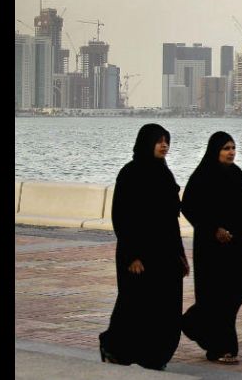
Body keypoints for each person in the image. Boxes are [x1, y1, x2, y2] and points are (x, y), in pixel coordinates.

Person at [99, 123, 189, 371]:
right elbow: (122, 217)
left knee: (166, 307)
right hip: (138, 254)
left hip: (165, 253)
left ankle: (155, 356)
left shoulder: (165, 174)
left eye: (166, 141)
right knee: (134, 305)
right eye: (159, 141)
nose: (164, 145)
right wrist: (132, 256)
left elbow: (171, 220)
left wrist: (180, 255)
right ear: (146, 143)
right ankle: (113, 346)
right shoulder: (130, 173)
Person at [180, 131, 242, 365]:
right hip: (212, 248)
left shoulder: (236, 173)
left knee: (239, 290)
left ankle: (191, 323)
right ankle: (222, 347)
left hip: (237, 245)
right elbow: (188, 206)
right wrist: (213, 229)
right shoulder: (202, 175)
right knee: (216, 296)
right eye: (226, 148)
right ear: (215, 151)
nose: (231, 152)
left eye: (233, 148)